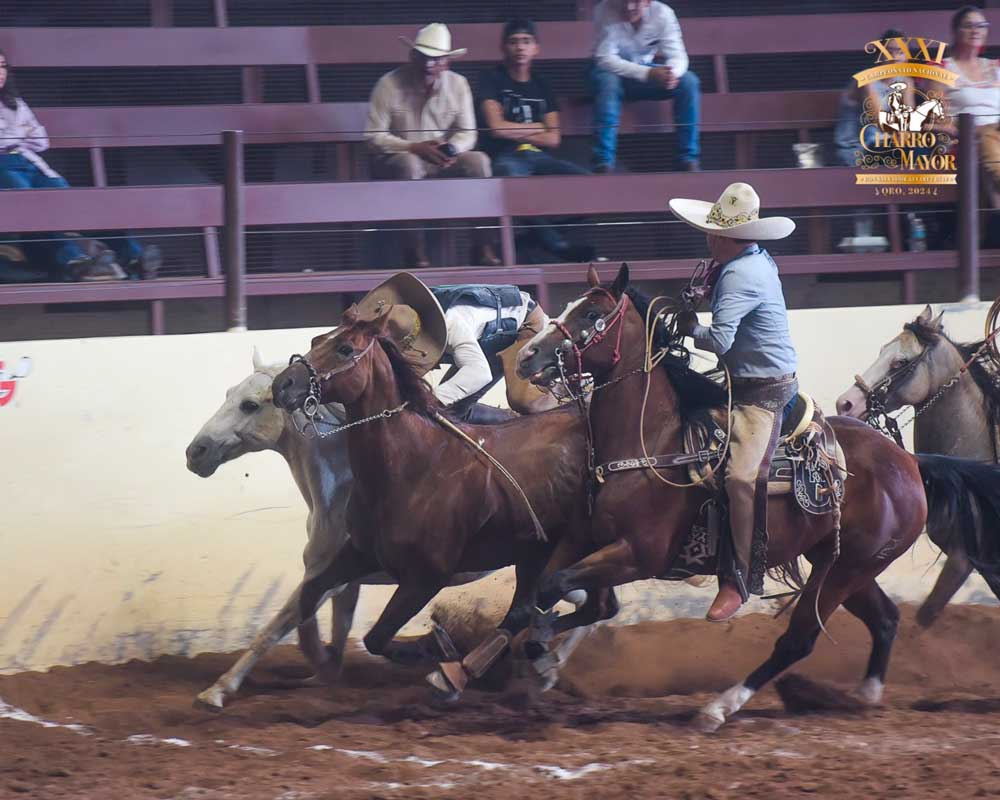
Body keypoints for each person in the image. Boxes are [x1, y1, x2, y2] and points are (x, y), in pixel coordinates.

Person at [671, 182, 798, 622]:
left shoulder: (742, 273)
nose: (707, 238)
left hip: (761, 395)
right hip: (740, 384)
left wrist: (689, 323)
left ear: (724, 238)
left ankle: (740, 578)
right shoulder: (749, 260)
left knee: (741, 479)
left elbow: (721, 341)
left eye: (711, 233)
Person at [0, 49, 160, 282]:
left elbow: (41, 140)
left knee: (78, 210)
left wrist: (13, 136)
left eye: (3, 66)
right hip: (5, 168)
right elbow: (15, 139)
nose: (0, 72)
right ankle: (78, 262)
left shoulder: (15, 104)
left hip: (32, 163)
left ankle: (136, 257)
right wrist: (18, 135)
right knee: (36, 213)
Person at [365, 23, 499, 268]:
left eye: (436, 59)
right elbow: (373, 136)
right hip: (397, 159)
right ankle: (414, 251)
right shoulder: (389, 84)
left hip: (442, 158)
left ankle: (483, 246)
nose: (429, 64)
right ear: (412, 55)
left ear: (447, 61)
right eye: (424, 57)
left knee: (480, 161)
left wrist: (450, 150)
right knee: (410, 165)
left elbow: (468, 133)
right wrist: (413, 147)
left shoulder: (458, 85)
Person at [355, 274, 557, 424]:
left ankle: (566, 406)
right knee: (454, 411)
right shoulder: (400, 320)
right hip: (487, 333)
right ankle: (507, 424)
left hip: (522, 323)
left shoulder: (452, 323)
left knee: (524, 401)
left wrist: (429, 400)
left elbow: (479, 373)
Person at [477, 18, 595, 263]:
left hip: (538, 156)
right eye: (514, 42)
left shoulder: (542, 85)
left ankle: (535, 238)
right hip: (506, 156)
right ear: (503, 48)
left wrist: (519, 129)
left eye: (526, 41)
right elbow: (497, 129)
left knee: (589, 185)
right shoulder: (491, 79)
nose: (520, 47)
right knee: (512, 177)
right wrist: (536, 126)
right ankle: (557, 244)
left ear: (536, 48)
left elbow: (553, 137)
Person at [591, 0, 700, 173]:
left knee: (689, 82)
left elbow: (678, 56)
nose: (629, 7)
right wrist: (648, 74)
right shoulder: (605, 9)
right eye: (624, 1)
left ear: (648, 2)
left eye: (636, 1)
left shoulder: (663, 13)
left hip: (644, 73)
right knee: (608, 83)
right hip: (609, 72)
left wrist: (672, 74)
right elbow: (605, 59)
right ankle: (603, 163)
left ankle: (688, 160)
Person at [940, 6, 1000, 206]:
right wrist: (969, 131)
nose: (976, 31)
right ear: (956, 32)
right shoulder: (942, 68)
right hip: (965, 140)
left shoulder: (996, 67)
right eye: (969, 26)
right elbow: (935, 122)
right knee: (986, 138)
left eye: (981, 26)